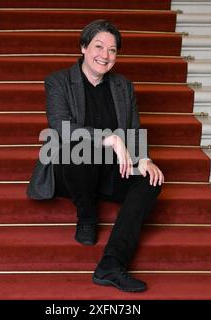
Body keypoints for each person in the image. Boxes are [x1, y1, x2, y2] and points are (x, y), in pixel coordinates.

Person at [27, 20, 164, 292]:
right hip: (72, 169)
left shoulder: (123, 86)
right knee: (81, 149)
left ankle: (111, 264)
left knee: (152, 180)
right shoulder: (59, 81)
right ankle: (87, 217)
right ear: (83, 47)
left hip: (111, 170)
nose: (105, 55)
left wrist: (143, 158)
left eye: (112, 50)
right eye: (99, 46)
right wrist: (110, 138)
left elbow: (134, 130)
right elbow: (61, 127)